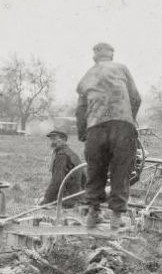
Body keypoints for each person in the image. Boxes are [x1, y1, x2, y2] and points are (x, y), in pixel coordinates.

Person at [75, 42, 143, 229]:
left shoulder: (87, 76)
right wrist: (129, 120)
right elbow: (136, 98)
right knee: (121, 171)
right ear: (112, 56)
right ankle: (115, 217)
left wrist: (83, 133)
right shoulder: (121, 69)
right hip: (122, 126)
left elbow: (81, 109)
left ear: (94, 57)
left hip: (96, 127)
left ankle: (93, 213)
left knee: (95, 170)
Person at [40, 130, 83, 208]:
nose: (52, 142)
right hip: (77, 196)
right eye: (51, 139)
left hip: (67, 198)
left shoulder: (62, 156)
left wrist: (46, 200)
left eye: (55, 139)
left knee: (39, 201)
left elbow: (57, 180)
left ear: (64, 140)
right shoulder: (71, 153)